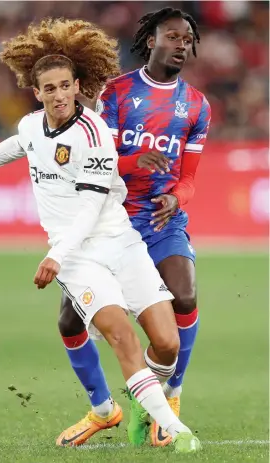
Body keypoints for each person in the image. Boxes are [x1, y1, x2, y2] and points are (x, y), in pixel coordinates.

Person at [0, 18, 201, 454]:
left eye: (66, 86)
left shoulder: (95, 134)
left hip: (118, 241)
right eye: (50, 89)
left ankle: (141, 405)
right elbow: (14, 145)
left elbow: (91, 204)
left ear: (78, 85)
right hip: (80, 259)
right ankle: (174, 429)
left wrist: (54, 255)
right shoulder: (30, 126)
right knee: (123, 337)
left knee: (168, 342)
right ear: (37, 92)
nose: (59, 95)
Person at [58, 7, 211, 447]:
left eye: (188, 38)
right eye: (173, 36)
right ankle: (103, 409)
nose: (182, 44)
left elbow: (190, 178)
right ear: (151, 40)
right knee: (71, 321)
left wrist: (175, 198)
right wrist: (132, 161)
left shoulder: (197, 105)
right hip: (110, 219)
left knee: (185, 295)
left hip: (162, 221)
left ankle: (170, 395)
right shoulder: (118, 93)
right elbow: (96, 162)